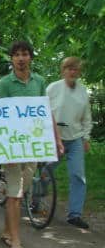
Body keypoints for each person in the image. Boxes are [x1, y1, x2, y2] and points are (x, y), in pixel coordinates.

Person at [0, 41, 63, 248]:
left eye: (25, 54)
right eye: (16, 54)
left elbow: (46, 113)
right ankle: (16, 243)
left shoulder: (40, 82)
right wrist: (7, 149)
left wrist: (57, 138)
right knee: (15, 194)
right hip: (13, 147)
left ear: (30, 57)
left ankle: (8, 229)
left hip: (33, 146)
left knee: (20, 191)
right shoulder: (4, 84)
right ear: (12, 59)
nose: (21, 58)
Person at [47, 56, 92, 229]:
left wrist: (86, 137)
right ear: (63, 70)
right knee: (46, 170)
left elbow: (87, 116)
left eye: (76, 69)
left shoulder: (82, 91)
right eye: (69, 68)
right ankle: (35, 199)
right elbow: (43, 111)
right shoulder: (53, 88)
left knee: (78, 176)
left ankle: (75, 214)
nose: (73, 72)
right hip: (54, 137)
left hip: (75, 138)